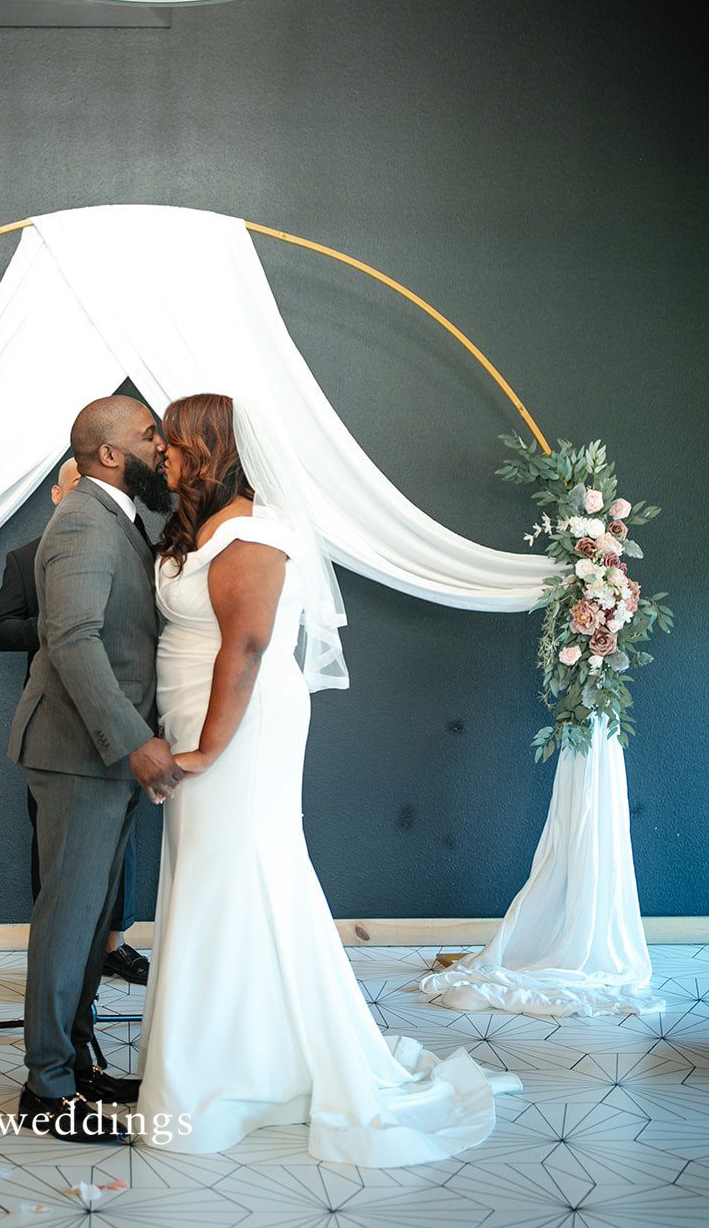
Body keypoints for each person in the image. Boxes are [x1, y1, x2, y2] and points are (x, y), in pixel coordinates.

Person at [133, 393, 520, 1164]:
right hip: (194, 720)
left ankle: (232, 1075)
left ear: (210, 451)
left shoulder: (252, 534)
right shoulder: (200, 528)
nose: (162, 454)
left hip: (238, 730)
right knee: (211, 877)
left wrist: (206, 751)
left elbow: (246, 646)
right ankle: (247, 1059)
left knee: (239, 873)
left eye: (172, 442)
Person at [7, 396, 181, 1144]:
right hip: (78, 754)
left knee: (90, 925)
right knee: (67, 923)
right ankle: (46, 1089)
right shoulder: (82, 520)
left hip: (98, 757)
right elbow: (72, 639)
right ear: (110, 454)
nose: (161, 445)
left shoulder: (118, 516)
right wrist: (135, 741)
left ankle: (75, 1063)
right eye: (149, 435)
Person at [0, 457, 149, 986]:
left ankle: (113, 946)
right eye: (76, 484)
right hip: (56, 727)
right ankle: (59, 958)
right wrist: (62, 619)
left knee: (121, 848)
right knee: (52, 850)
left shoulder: (131, 544)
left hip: (118, 718)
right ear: (58, 496)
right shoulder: (25, 558)